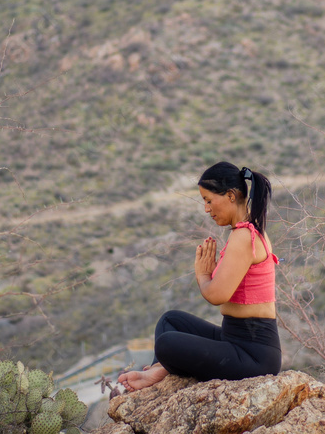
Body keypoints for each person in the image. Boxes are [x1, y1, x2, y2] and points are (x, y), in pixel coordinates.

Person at [117, 162, 281, 391]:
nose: (206, 209)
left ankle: (160, 370)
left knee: (166, 343)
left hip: (254, 356)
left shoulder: (244, 236)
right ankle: (160, 369)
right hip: (232, 338)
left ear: (231, 196)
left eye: (208, 200)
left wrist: (203, 275)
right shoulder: (243, 232)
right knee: (170, 321)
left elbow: (216, 295)